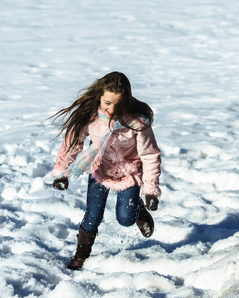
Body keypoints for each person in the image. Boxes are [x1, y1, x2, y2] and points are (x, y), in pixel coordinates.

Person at [51, 71, 161, 270]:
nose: (111, 109)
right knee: (93, 217)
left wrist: (150, 190)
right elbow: (73, 143)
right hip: (100, 169)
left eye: (117, 104)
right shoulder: (92, 116)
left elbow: (150, 156)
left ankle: (139, 211)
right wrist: (62, 172)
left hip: (129, 172)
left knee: (125, 218)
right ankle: (81, 254)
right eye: (107, 103)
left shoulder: (137, 123)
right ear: (100, 97)